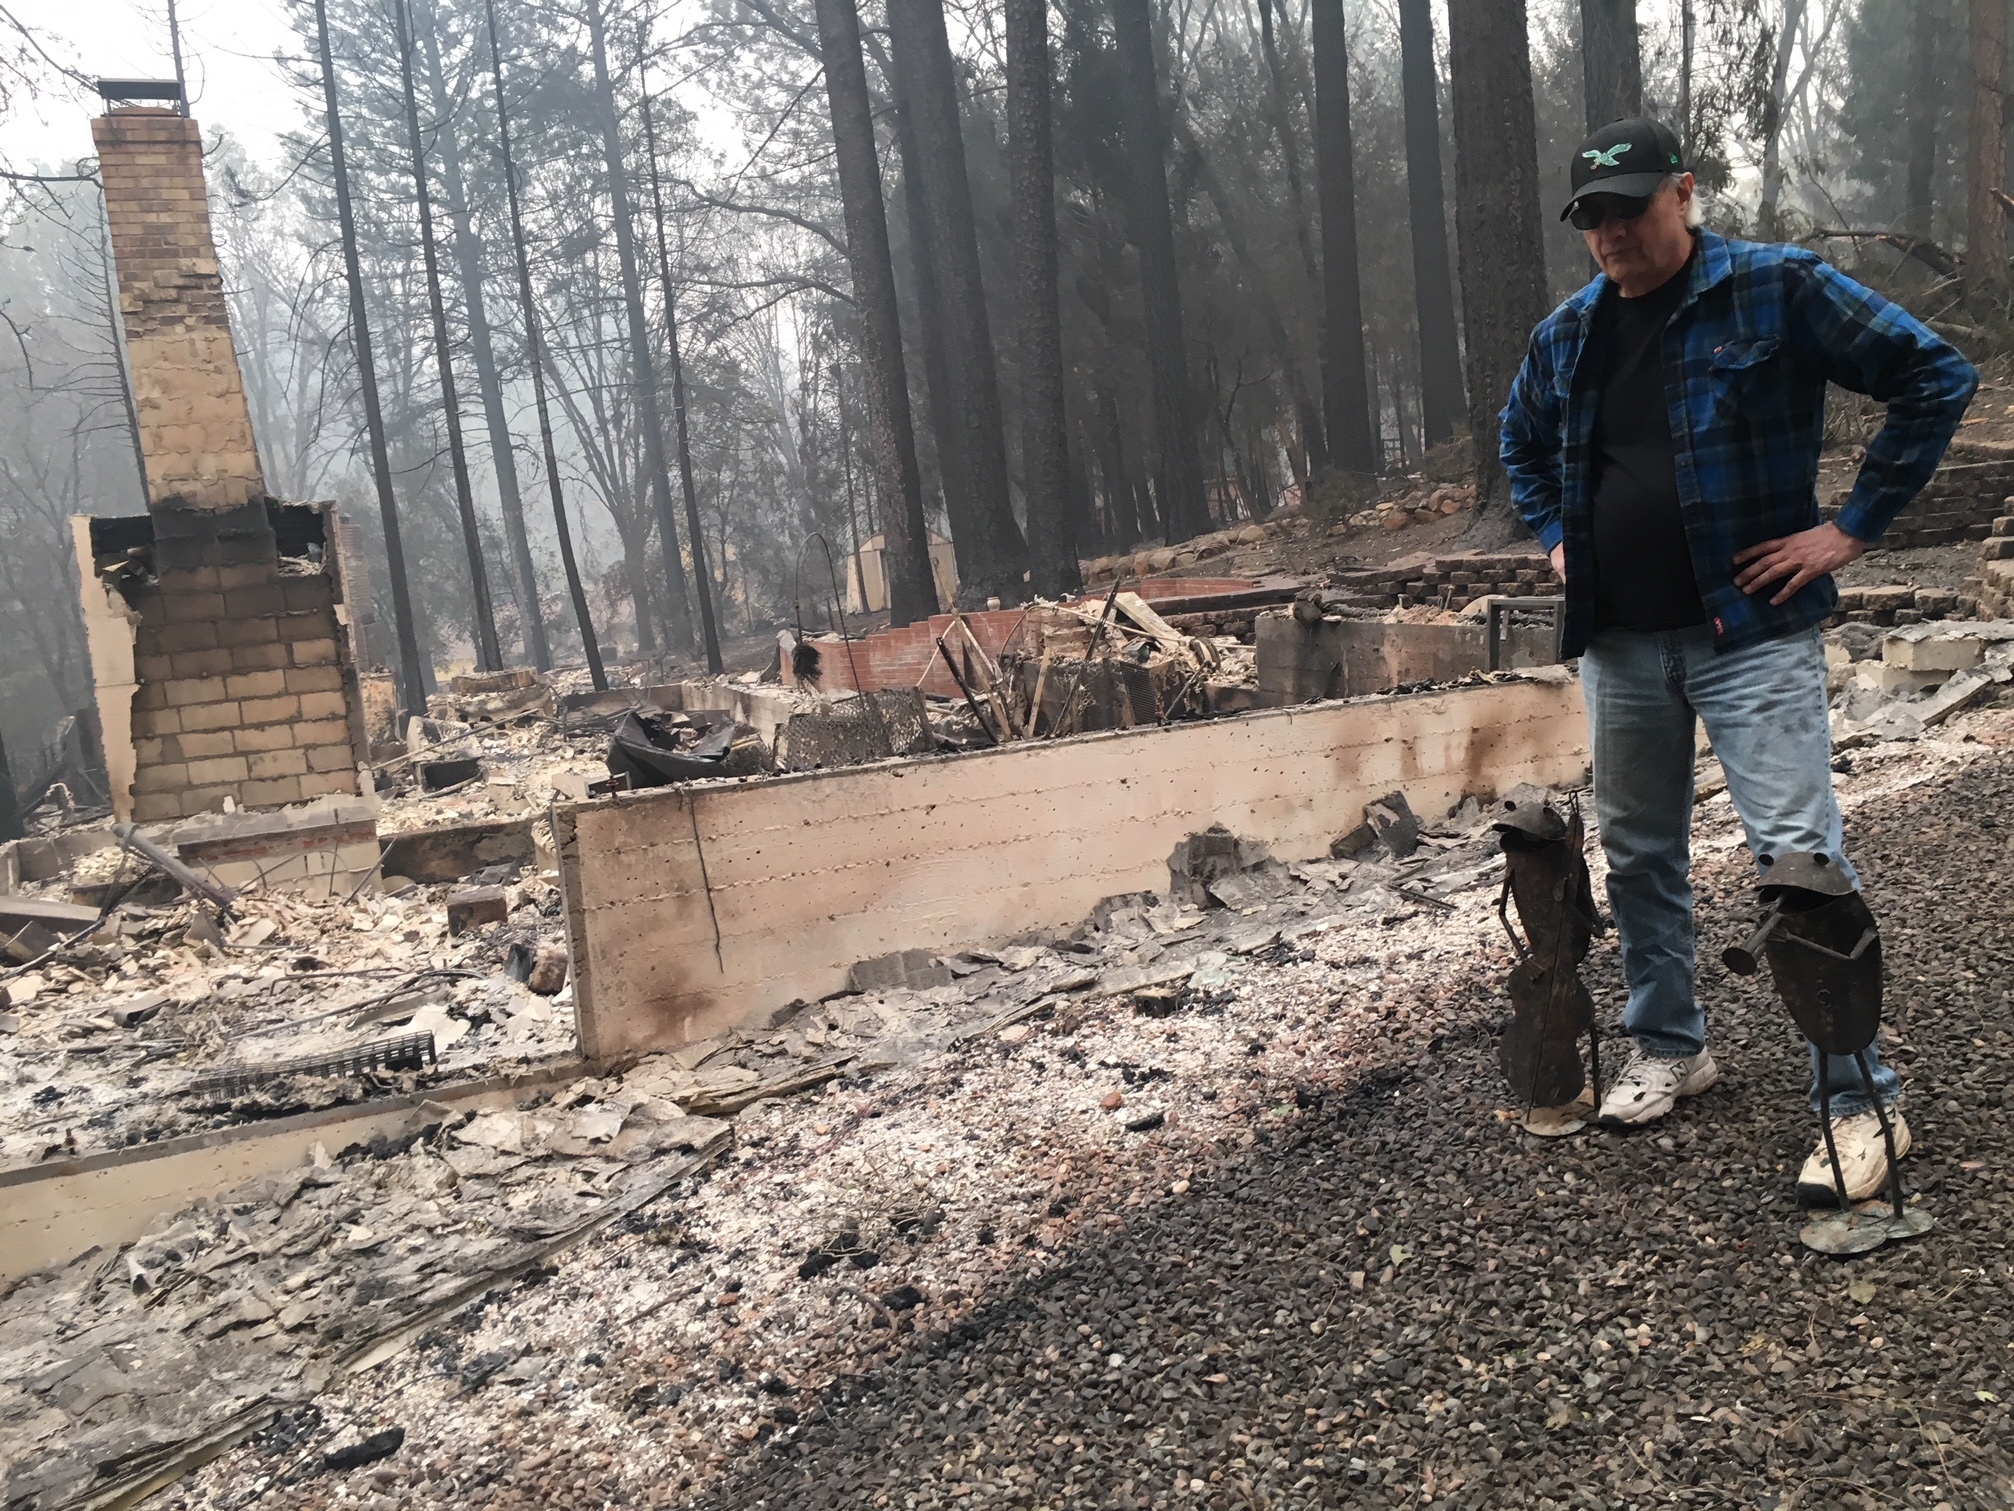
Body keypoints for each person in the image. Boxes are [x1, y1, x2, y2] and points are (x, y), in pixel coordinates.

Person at [1499, 117, 1976, 1202]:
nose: (1613, 231)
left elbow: (1931, 374)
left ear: (1685, 191)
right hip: (1617, 643)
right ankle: (1671, 1043)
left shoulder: (1775, 287)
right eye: (1593, 217)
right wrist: (1559, 539)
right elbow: (1518, 442)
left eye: (1630, 205)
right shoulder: (1568, 335)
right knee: (1639, 856)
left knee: (1799, 863)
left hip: (1750, 636)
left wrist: (1850, 527)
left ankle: (1861, 1101)